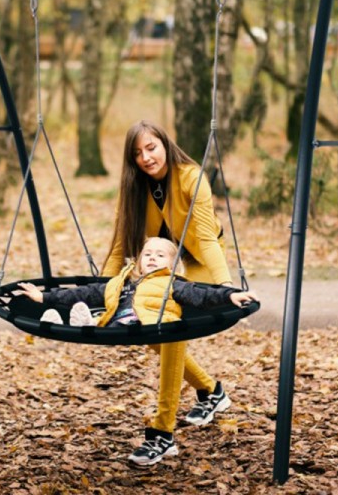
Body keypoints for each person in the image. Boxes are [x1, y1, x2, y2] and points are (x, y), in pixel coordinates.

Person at [13, 237, 257, 466]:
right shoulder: (121, 282)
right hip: (125, 325)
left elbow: (203, 295)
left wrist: (230, 295)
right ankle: (212, 392)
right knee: (92, 310)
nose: (152, 258)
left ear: (172, 266)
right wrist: (44, 297)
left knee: (171, 365)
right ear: (139, 260)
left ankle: (162, 435)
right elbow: (83, 292)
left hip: (165, 327)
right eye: (147, 254)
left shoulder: (172, 284)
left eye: (160, 255)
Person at [102, 120, 242, 465]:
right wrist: (101, 291)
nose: (146, 157)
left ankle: (163, 432)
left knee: (171, 329)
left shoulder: (191, 177)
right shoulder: (134, 188)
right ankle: (211, 391)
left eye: (151, 147)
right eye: (138, 153)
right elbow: (120, 243)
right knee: (153, 330)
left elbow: (207, 238)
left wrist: (224, 285)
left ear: (165, 144)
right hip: (162, 263)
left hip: (198, 258)